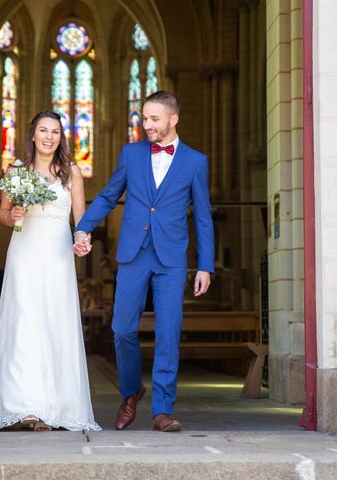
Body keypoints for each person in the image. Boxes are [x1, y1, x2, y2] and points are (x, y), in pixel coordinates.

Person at [74, 91, 214, 432]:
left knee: (169, 332)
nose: (146, 125)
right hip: (133, 253)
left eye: (153, 119)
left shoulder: (196, 161)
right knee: (122, 328)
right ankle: (131, 390)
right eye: (144, 118)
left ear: (172, 119)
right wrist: (82, 227)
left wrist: (205, 266)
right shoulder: (132, 153)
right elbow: (109, 194)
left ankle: (163, 410)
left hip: (171, 258)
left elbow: (204, 217)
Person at [0, 111, 101, 433]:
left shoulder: (72, 172)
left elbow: (81, 219)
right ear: (33, 134)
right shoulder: (16, 170)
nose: (49, 136)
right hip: (24, 251)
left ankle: (56, 406)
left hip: (57, 254)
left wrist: (83, 239)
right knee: (24, 320)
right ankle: (24, 405)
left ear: (61, 137)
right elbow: (2, 213)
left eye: (55, 131)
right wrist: (13, 214)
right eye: (43, 130)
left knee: (55, 321)